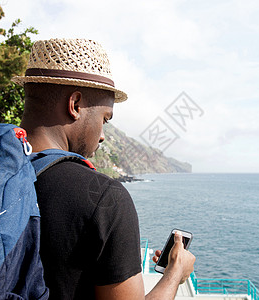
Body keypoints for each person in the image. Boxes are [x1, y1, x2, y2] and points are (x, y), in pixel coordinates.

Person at [12, 38, 195, 300]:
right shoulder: (105, 198)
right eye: (105, 119)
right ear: (75, 105)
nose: (102, 136)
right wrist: (175, 273)